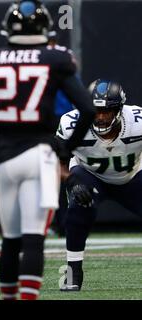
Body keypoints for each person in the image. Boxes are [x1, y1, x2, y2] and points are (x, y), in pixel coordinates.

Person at [0, 0, 95, 300]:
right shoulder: (56, 58)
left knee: (10, 241)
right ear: (45, 29)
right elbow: (88, 109)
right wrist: (65, 149)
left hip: (5, 160)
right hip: (40, 156)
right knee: (33, 240)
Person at [57, 79, 142, 291]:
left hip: (132, 176)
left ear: (119, 109)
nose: (101, 116)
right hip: (89, 174)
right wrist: (71, 181)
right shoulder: (71, 124)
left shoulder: (138, 121)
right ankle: (72, 270)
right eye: (96, 110)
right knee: (79, 204)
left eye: (107, 111)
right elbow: (56, 162)